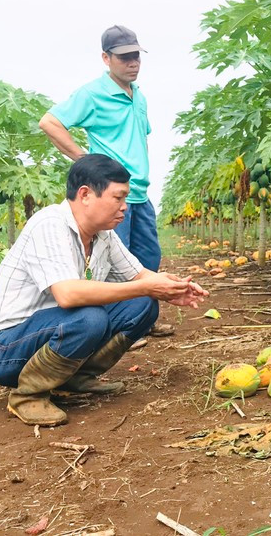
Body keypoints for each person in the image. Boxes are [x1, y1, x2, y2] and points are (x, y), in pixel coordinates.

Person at [0, 155, 208, 427]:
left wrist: (171, 287)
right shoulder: (50, 224)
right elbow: (68, 295)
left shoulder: (103, 234)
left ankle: (72, 377)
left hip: (52, 332)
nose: (124, 207)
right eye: (118, 198)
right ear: (85, 194)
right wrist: (145, 285)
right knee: (89, 317)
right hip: (3, 350)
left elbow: (140, 275)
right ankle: (27, 396)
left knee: (144, 303)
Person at [38, 25, 173, 343]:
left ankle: (142, 321)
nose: (133, 62)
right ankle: (118, 329)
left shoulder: (139, 97)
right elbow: (50, 122)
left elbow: (138, 140)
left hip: (139, 191)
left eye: (136, 55)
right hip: (110, 194)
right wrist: (84, 161)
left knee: (147, 258)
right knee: (114, 265)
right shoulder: (92, 93)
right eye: (125, 57)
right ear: (106, 58)